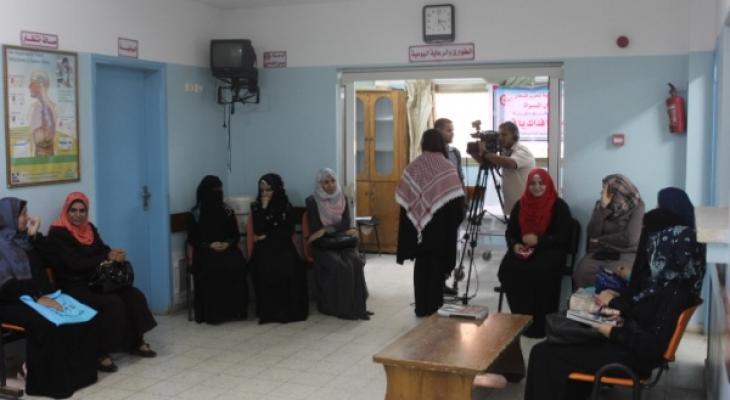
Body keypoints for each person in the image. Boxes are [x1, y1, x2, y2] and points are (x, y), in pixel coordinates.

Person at [524, 187, 705, 400]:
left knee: (543, 353)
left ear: (665, 251)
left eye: (654, 246)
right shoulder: (673, 282)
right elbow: (645, 318)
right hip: (626, 342)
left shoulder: (672, 292)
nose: (649, 252)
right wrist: (615, 317)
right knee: (560, 338)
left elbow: (651, 346)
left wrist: (610, 330)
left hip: (631, 356)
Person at [47, 192, 157, 372]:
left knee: (133, 295)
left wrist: (114, 254)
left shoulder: (89, 228)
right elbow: (75, 263)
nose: (78, 215)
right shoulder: (58, 233)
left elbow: (102, 249)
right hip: (73, 284)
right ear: (66, 211)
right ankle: (100, 352)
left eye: (82, 210)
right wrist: (105, 257)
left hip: (96, 279)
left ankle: (135, 342)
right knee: (112, 303)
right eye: (73, 210)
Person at [0, 197, 97, 398]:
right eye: (22, 214)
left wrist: (35, 237)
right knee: (48, 323)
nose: (28, 218)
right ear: (9, 218)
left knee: (78, 317)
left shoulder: (25, 242)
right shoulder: (2, 246)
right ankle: (45, 381)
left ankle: (78, 377)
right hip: (10, 301)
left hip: (36, 296)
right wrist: (37, 298)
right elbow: (7, 286)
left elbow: (51, 261)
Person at [396, 130, 465, 317]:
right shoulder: (447, 167)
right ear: (441, 144)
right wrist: (452, 224)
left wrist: (414, 224)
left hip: (419, 227)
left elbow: (405, 200)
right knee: (437, 267)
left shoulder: (413, 166)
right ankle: (434, 309)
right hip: (441, 230)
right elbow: (457, 204)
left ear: (423, 143)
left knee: (421, 266)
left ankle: (421, 307)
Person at [498, 168, 572, 338]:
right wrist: (515, 245)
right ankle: (519, 322)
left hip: (550, 250)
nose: (536, 187)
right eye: (532, 183)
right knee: (508, 269)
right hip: (524, 250)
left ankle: (540, 326)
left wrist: (539, 241)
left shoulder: (559, 206)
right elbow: (511, 232)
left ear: (548, 184)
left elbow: (563, 237)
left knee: (538, 271)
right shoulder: (520, 204)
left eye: (541, 183)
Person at [306, 169, 369, 320]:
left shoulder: (343, 198)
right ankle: (338, 307)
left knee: (355, 261)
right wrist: (336, 230)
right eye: (326, 182)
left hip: (341, 243)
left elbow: (345, 223)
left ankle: (356, 306)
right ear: (320, 184)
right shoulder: (312, 201)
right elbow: (316, 228)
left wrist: (327, 229)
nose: (331, 185)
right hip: (323, 246)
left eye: (333, 181)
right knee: (339, 265)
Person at [187, 175, 248, 324]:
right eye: (214, 190)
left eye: (220, 190)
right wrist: (209, 245)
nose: (218, 194)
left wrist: (227, 244)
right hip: (204, 250)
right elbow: (193, 239)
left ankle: (235, 310)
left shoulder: (227, 211)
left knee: (236, 264)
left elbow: (234, 235)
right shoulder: (195, 213)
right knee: (212, 267)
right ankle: (213, 313)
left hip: (226, 248)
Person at [249, 174, 309, 323]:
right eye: (262, 190)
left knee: (289, 267)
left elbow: (288, 230)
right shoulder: (256, 206)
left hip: (283, 245)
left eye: (268, 190)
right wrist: (263, 208)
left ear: (276, 189)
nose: (265, 194)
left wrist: (267, 236)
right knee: (264, 267)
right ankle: (269, 312)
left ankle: (287, 310)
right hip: (264, 248)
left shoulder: (285, 206)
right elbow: (258, 229)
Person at [572, 174, 645, 289]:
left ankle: (612, 300)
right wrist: (602, 208)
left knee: (619, 277)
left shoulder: (637, 206)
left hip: (625, 254)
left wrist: (600, 240)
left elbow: (629, 239)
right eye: (602, 189)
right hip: (600, 252)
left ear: (618, 193)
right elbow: (592, 233)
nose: (602, 193)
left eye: (606, 190)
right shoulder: (601, 204)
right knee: (580, 274)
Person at [470, 121, 535, 216]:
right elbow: (492, 165)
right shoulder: (506, 151)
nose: (500, 138)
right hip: (513, 205)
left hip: (524, 205)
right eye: (499, 135)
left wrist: (485, 153)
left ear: (515, 136)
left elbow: (510, 163)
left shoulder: (522, 151)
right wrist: (475, 154)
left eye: (504, 135)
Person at [435, 118, 463, 296]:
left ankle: (444, 280)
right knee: (439, 246)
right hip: (438, 207)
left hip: (454, 204)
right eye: (448, 130)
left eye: (452, 130)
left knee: (451, 247)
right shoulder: (430, 155)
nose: (452, 133)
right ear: (438, 132)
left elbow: (460, 177)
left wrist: (463, 200)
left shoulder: (455, 153)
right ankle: (435, 282)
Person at [27, 70, 58, 156]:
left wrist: (45, 99)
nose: (29, 87)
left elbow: (48, 136)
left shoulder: (52, 108)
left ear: (41, 86)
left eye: (32, 84)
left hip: (49, 156)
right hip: (37, 155)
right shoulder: (33, 108)